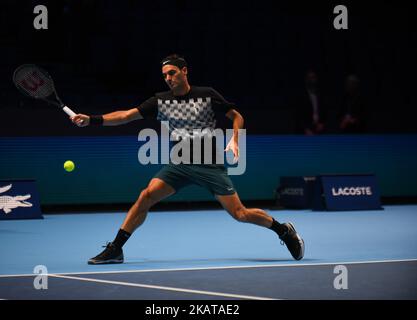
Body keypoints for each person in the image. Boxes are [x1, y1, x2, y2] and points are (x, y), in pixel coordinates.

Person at [71, 54, 305, 264]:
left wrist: (234, 139)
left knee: (240, 214)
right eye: (164, 75)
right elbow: (126, 115)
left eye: (172, 73)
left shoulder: (207, 95)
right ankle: (116, 249)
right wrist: (92, 119)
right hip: (179, 164)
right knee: (146, 195)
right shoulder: (160, 100)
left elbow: (237, 116)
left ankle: (283, 230)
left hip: (209, 165)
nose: (168, 78)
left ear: (184, 72)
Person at [295, 69, 327, 135]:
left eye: (313, 77)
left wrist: (322, 123)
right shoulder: (301, 96)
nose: (311, 80)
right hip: (306, 130)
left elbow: (324, 111)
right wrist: (305, 129)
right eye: (309, 78)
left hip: (319, 129)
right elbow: (298, 115)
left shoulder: (321, 94)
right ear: (306, 80)